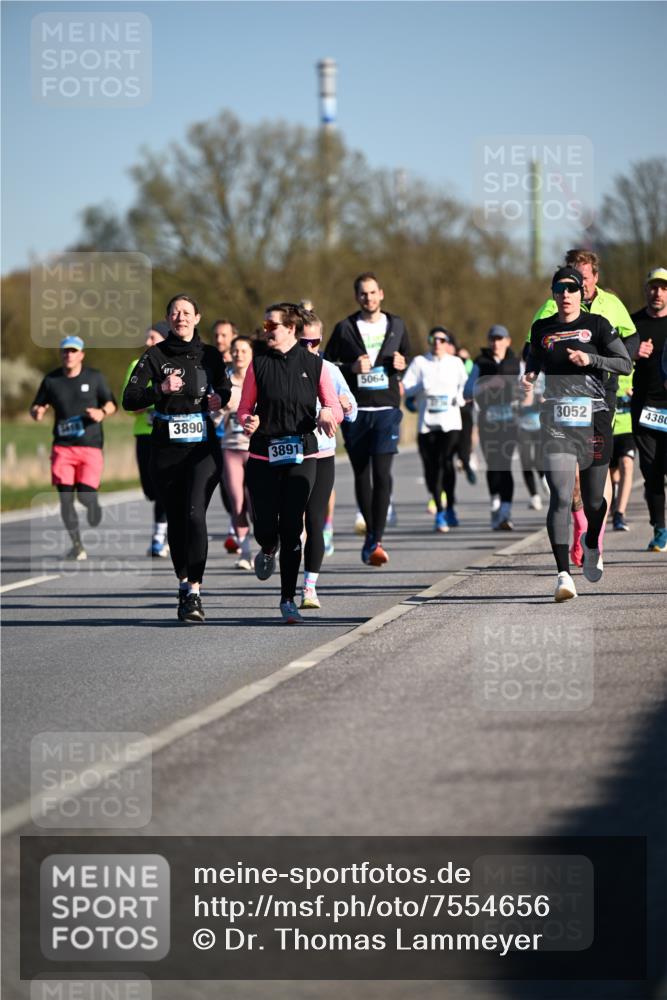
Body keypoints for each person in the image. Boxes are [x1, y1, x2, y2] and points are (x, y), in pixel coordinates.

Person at [523, 267, 632, 602]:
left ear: (582, 292)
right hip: (557, 420)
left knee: (595, 499)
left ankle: (591, 540)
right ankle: (562, 576)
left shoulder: (597, 325)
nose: (566, 294)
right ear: (553, 293)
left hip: (594, 419)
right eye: (560, 289)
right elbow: (535, 361)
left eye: (572, 288)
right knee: (559, 494)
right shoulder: (542, 328)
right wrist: (528, 376)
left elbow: (625, 363)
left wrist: (591, 358)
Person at [123, 294, 231, 624]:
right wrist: (161, 390)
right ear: (168, 319)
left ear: (197, 317)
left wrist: (218, 398)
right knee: (177, 520)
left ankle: (195, 591)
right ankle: (183, 584)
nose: (180, 317)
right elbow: (130, 398)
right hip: (166, 450)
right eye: (174, 313)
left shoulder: (210, 355)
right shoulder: (154, 356)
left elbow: (225, 389)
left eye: (186, 312)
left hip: (202, 450)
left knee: (195, 514)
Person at [237, 302, 343, 623]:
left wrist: (327, 413)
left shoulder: (316, 365)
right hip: (262, 454)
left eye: (272, 326)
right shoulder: (258, 365)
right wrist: (248, 422)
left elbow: (334, 406)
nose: (266, 330)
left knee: (293, 528)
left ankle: (287, 599)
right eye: (265, 325)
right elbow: (244, 408)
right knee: (266, 527)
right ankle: (266, 548)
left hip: (302, 454)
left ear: (291, 329)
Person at [324, 272, 410, 565]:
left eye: (372, 292)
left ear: (381, 294)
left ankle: (377, 539)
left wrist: (402, 364)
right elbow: (328, 367)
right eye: (363, 293)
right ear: (356, 297)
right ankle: (371, 533)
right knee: (362, 473)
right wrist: (351, 369)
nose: (368, 298)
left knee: (383, 473)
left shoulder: (397, 324)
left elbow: (404, 360)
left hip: (386, 409)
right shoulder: (344, 328)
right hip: (357, 412)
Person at [30, 335, 117, 560]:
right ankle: (77, 545)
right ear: (61, 354)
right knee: (65, 498)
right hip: (62, 447)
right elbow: (37, 405)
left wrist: (102, 412)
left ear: (81, 355)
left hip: (90, 446)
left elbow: (111, 403)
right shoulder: (51, 380)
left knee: (85, 496)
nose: (68, 355)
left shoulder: (95, 377)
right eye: (65, 351)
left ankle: (93, 504)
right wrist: (37, 412)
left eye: (73, 351)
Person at [298, 312, 357, 609]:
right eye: (303, 341)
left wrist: (345, 407)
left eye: (315, 342)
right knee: (287, 524)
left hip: (322, 453)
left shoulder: (330, 369)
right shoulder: (278, 369)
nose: (309, 347)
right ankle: (268, 547)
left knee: (315, 519)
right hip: (290, 455)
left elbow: (350, 405)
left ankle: (309, 587)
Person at [402, 327, 468, 531]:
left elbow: (465, 385)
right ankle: (439, 505)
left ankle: (445, 510)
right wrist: (420, 386)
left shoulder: (455, 362)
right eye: (434, 339)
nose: (437, 343)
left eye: (442, 339)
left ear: (447, 342)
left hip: (450, 423)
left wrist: (460, 396)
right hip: (427, 425)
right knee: (431, 469)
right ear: (430, 341)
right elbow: (406, 386)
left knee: (445, 464)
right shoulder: (420, 363)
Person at [466, 325, 521, 530]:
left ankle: (505, 512)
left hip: (509, 421)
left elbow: (528, 386)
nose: (495, 343)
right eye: (492, 339)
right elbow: (468, 389)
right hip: (488, 420)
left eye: (499, 339)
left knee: (504, 464)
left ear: (508, 341)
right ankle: (495, 504)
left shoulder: (516, 363)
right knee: (493, 465)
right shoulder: (480, 363)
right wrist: (488, 384)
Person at [122, 324, 169, 557]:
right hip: (143, 433)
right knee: (151, 490)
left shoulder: (171, 365)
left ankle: (159, 537)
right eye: (147, 337)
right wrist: (149, 406)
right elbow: (128, 403)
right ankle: (167, 523)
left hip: (166, 435)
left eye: (153, 337)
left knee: (162, 488)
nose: (148, 341)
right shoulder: (135, 365)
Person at [630, 267, 667, 552]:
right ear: (647, 290)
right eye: (654, 287)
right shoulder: (633, 324)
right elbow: (614, 358)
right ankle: (660, 529)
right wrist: (633, 352)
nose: (658, 292)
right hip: (645, 408)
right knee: (652, 471)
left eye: (664, 288)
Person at [215, 335, 254, 570]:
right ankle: (245, 552)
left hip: (256, 450)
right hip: (231, 448)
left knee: (258, 503)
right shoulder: (224, 383)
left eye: (243, 350)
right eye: (235, 350)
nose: (239, 354)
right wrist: (222, 409)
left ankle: (269, 544)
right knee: (237, 503)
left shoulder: (259, 379)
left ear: (251, 355)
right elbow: (213, 418)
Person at [211, 318, 239, 552]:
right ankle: (235, 525)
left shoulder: (243, 362)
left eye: (224, 335)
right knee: (226, 487)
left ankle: (241, 529)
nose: (220, 340)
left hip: (240, 437)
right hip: (217, 434)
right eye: (216, 336)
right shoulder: (209, 363)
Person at [609, 371, 635, 531]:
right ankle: (613, 502)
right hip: (608, 428)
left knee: (626, 464)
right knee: (612, 474)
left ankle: (619, 514)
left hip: (628, 428)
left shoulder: (633, 367)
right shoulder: (605, 364)